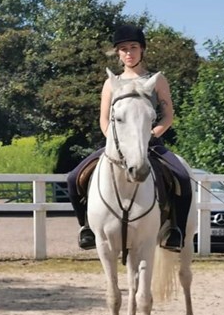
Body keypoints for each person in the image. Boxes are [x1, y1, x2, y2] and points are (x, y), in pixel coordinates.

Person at [65, 25, 192, 251]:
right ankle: (86, 227)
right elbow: (104, 120)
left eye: (133, 47)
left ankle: (175, 230)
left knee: (181, 176)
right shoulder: (111, 83)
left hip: (150, 143)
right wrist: (119, 143)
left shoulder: (157, 80)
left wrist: (151, 135)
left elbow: (168, 116)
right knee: (74, 178)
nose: (128, 53)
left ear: (142, 49)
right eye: (123, 49)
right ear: (118, 53)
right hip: (118, 146)